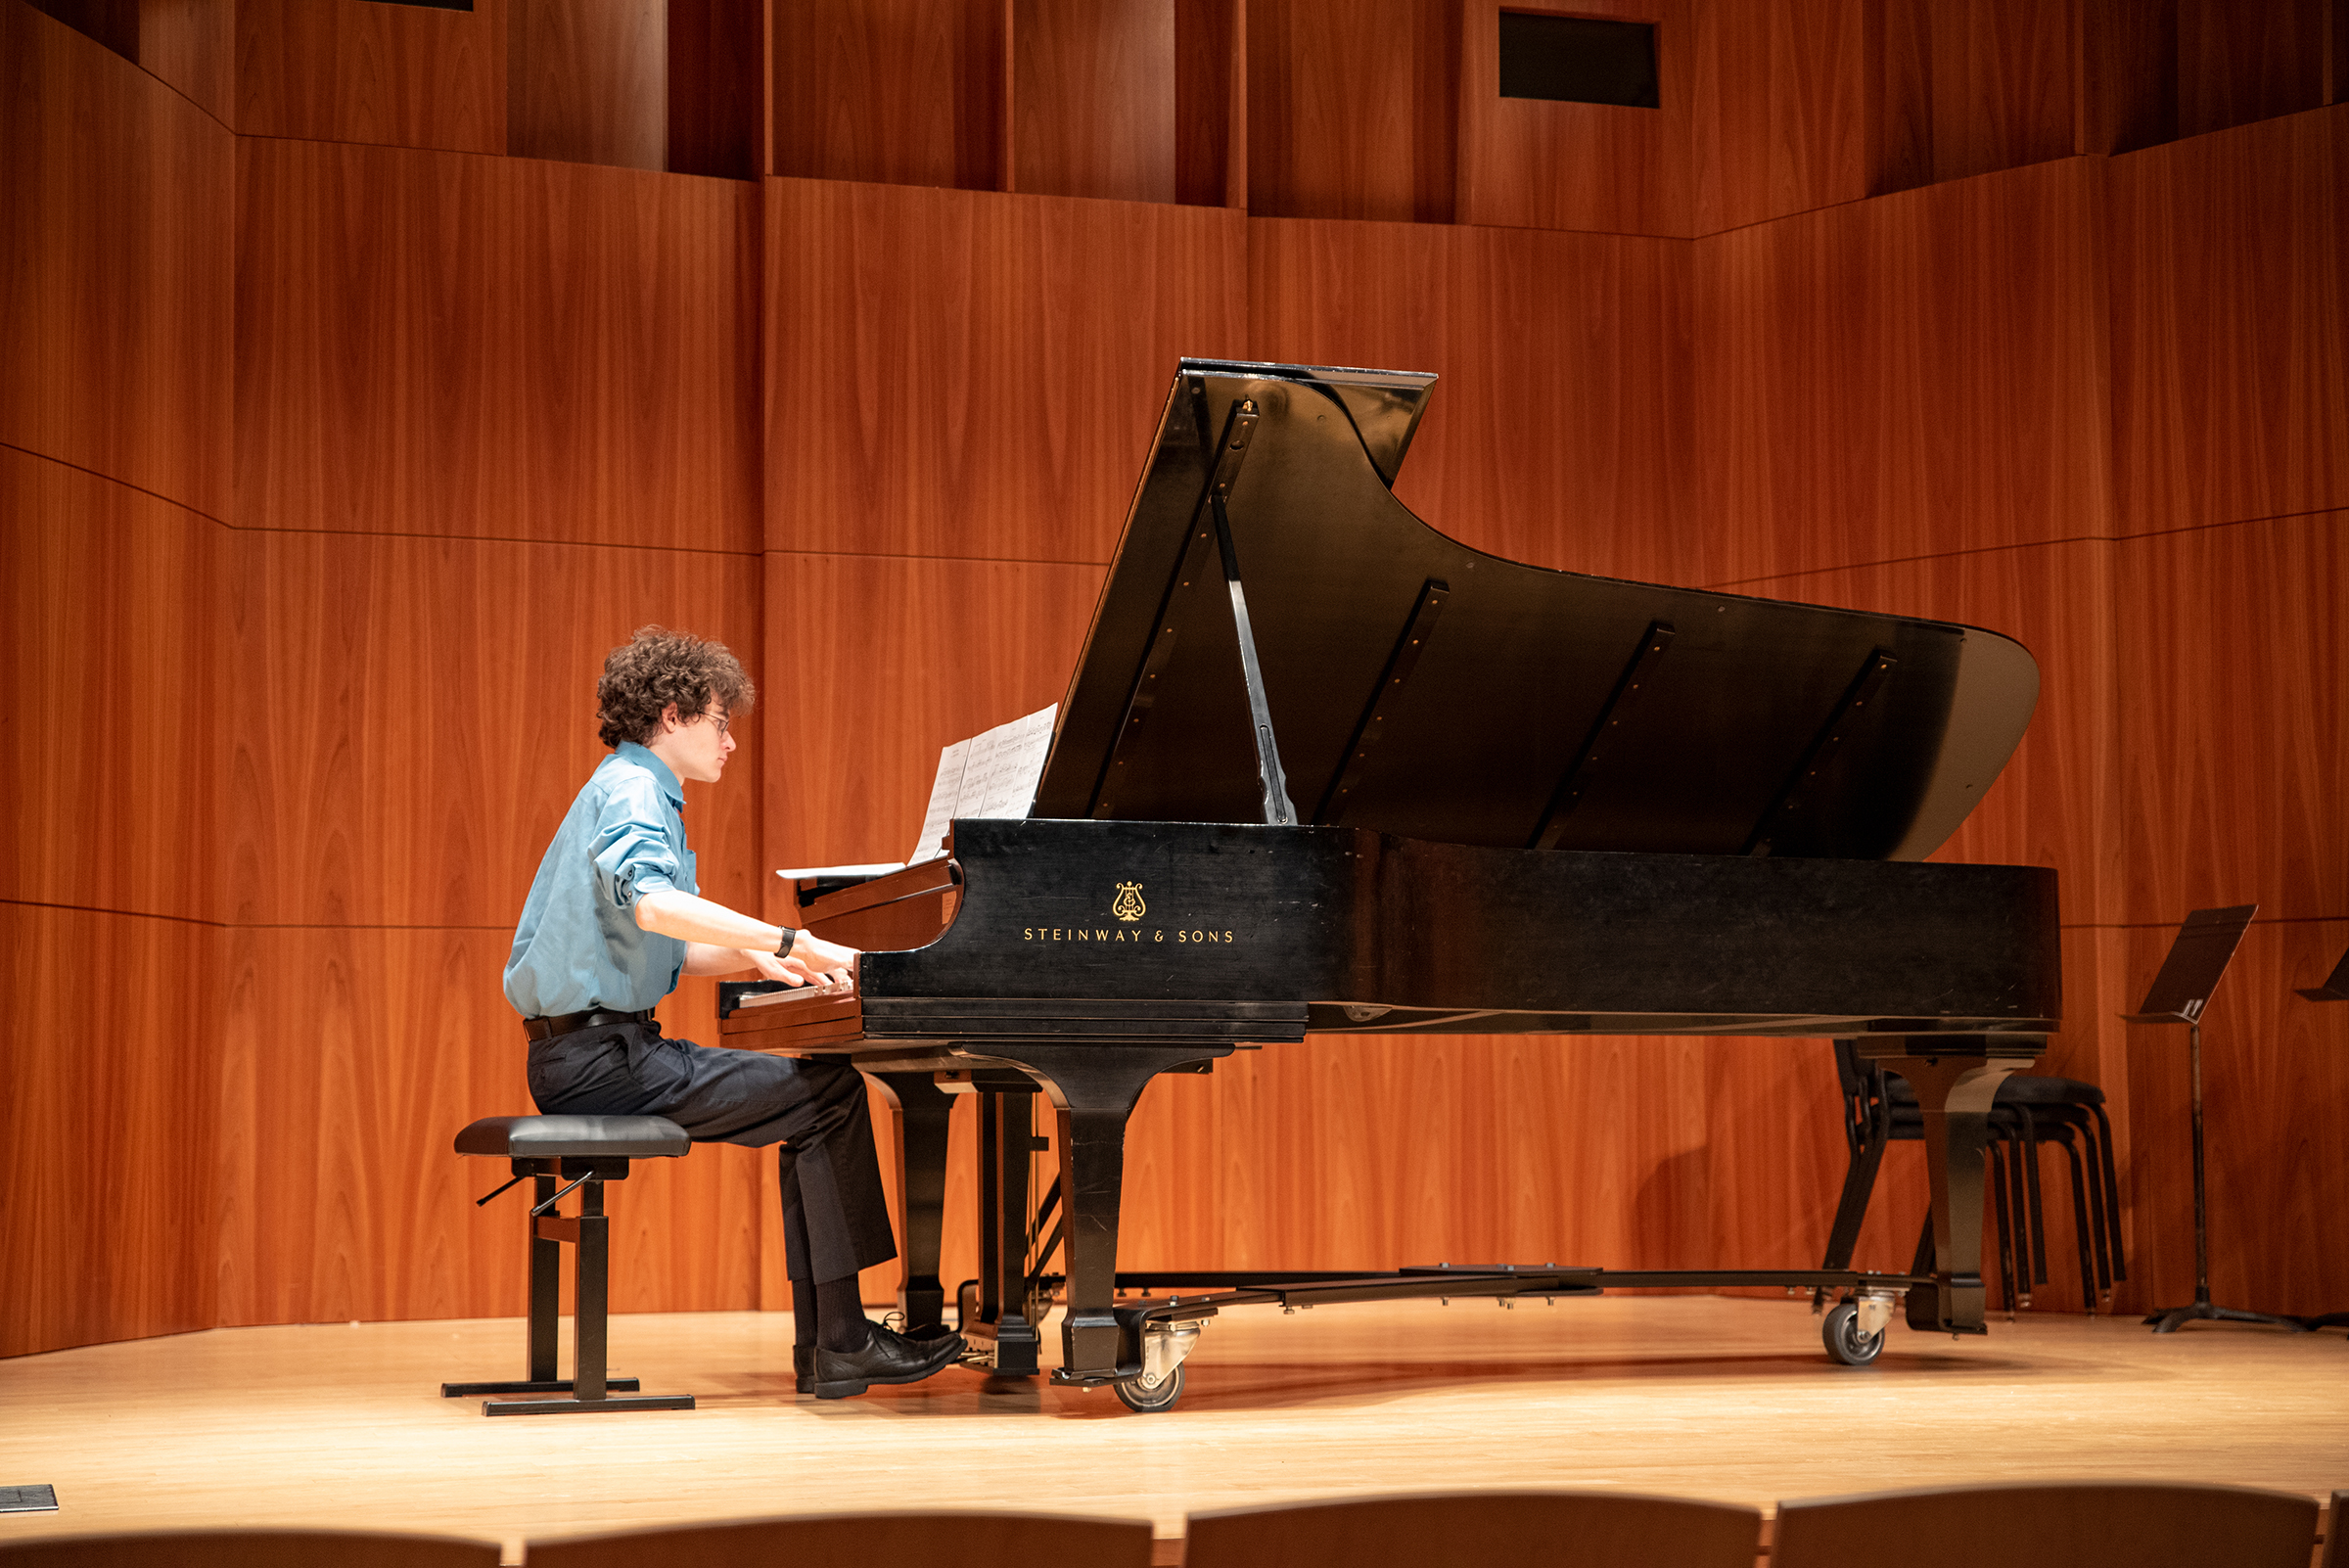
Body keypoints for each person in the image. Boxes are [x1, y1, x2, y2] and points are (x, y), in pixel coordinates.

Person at [503, 625, 965, 1400]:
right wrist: (793, 937)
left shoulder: (629, 786)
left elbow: (658, 947)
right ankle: (839, 1345)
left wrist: (760, 962)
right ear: (676, 714)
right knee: (828, 1094)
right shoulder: (634, 790)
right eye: (722, 722)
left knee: (813, 1098)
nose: (731, 743)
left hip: (586, 1052)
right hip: (603, 1062)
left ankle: (831, 1346)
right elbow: (654, 907)